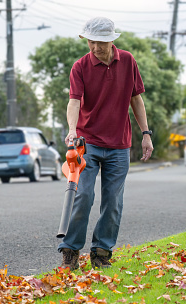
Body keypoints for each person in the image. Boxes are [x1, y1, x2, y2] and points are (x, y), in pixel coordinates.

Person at [58, 17, 154, 270]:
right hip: (86, 143)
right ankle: (70, 250)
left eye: (99, 42)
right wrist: (71, 130)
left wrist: (146, 133)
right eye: (90, 41)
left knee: (113, 201)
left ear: (111, 41)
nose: (93, 47)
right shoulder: (80, 67)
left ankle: (101, 252)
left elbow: (136, 99)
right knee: (83, 196)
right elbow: (74, 102)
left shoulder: (128, 61)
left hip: (119, 145)